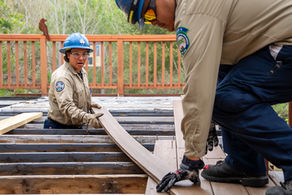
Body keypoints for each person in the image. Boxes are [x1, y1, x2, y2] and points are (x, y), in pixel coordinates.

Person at [115, 0, 292, 194]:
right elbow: (210, 72)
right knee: (223, 71)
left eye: (149, 14)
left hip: (286, 43)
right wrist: (204, 125)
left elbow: (198, 86)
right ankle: (244, 164)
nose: (153, 22)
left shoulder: (193, 12)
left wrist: (191, 159)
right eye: (146, 20)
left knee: (223, 99)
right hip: (278, 40)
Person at [44, 33, 103, 130]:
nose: (81, 58)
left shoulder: (82, 71)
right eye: (76, 54)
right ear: (67, 55)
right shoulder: (62, 77)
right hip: (59, 128)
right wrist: (87, 118)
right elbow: (66, 106)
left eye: (84, 54)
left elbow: (77, 96)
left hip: (75, 125)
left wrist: (89, 104)